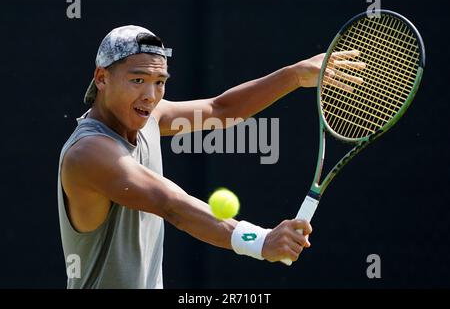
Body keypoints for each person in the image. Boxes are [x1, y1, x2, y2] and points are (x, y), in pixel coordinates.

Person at [57, 25, 363, 289]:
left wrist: (294, 76)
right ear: (101, 78)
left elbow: (222, 110)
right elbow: (171, 204)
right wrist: (260, 241)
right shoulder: (88, 152)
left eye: (160, 82)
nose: (151, 95)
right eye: (138, 80)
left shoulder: (148, 116)